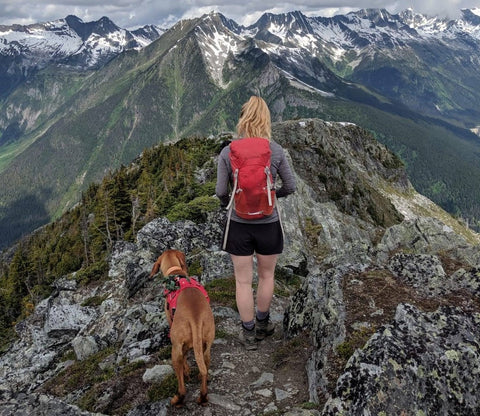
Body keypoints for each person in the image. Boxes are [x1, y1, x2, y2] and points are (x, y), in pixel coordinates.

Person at [215, 96, 296, 350]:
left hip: (239, 224)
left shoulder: (229, 151)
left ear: (243, 119)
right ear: (266, 120)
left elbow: (219, 191)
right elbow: (291, 186)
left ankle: (248, 334)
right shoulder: (276, 150)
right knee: (266, 275)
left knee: (242, 281)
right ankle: (263, 325)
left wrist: (229, 202)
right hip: (268, 222)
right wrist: (274, 196)